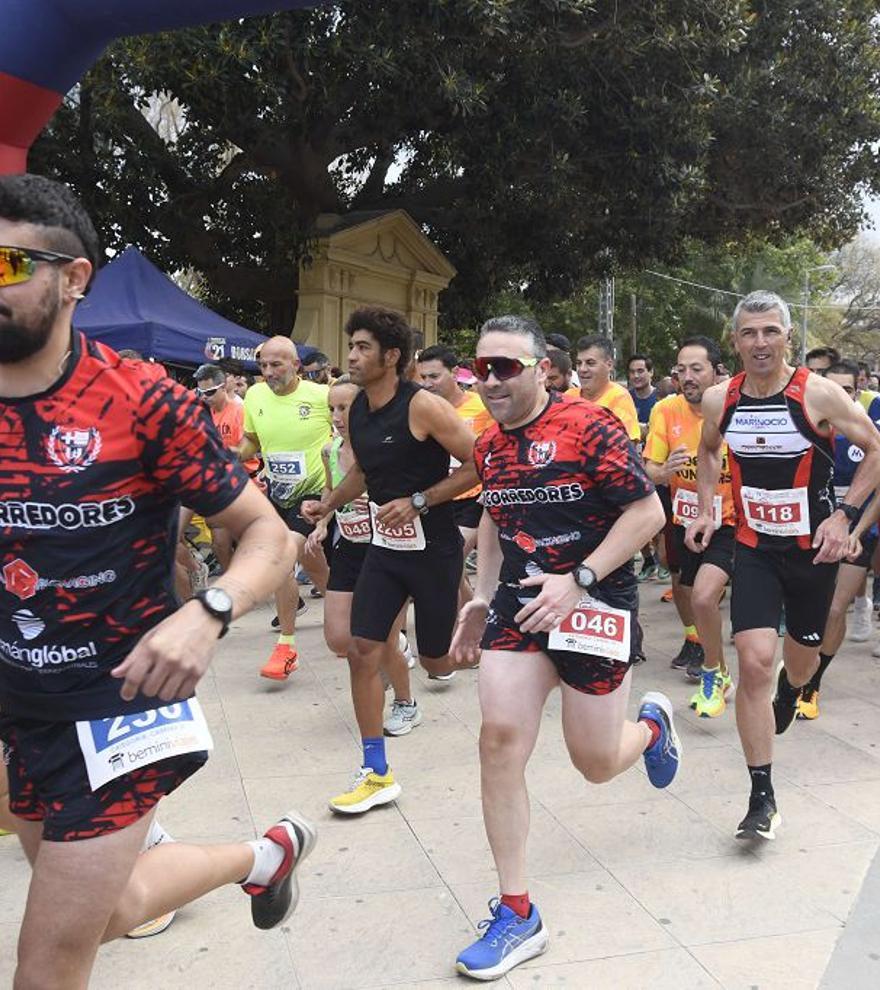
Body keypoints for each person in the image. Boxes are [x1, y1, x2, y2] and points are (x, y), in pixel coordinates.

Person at [0, 174, 316, 989]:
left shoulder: (140, 399)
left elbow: (267, 535)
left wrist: (207, 611)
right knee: (113, 909)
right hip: (17, 701)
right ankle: (263, 854)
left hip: (118, 701)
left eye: (6, 265)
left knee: (46, 963)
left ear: (73, 280)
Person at [449, 315, 679, 981]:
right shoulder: (487, 445)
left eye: (506, 367)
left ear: (541, 369)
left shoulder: (590, 425)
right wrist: (480, 593)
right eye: (482, 366)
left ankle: (652, 728)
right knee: (498, 738)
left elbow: (648, 514)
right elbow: (495, 514)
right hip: (520, 607)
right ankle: (518, 913)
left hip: (595, 606)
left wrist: (579, 581)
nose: (490, 379)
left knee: (597, 763)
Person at [688, 290, 880, 840]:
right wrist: (707, 508)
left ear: (787, 336)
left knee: (798, 662)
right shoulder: (721, 399)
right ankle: (761, 796)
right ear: (735, 340)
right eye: (749, 333)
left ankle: (794, 690)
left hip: (812, 552)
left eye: (770, 331)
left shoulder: (817, 394)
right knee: (752, 661)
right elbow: (706, 452)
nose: (760, 342)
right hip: (752, 547)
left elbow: (875, 449)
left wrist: (843, 517)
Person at [302, 306, 479, 814]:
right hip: (384, 548)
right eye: (351, 346)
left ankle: (485, 630)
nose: (352, 356)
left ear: (391, 356)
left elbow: (478, 463)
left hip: (434, 549)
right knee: (362, 648)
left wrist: (422, 500)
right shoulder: (357, 409)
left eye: (362, 347)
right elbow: (361, 473)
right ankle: (376, 770)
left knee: (437, 660)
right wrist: (328, 505)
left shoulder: (422, 406)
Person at [307, 377, 419, 736]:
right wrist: (323, 521)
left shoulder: (387, 447)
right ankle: (397, 648)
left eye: (346, 407)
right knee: (339, 639)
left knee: (378, 640)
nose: (338, 416)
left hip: (387, 550)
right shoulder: (329, 450)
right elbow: (329, 489)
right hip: (349, 549)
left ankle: (406, 703)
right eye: (332, 408)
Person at [644, 336, 736, 716]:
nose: (687, 377)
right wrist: (662, 473)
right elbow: (650, 468)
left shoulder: (737, 406)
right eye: (681, 370)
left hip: (731, 520)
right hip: (686, 518)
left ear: (717, 371)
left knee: (703, 595)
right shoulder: (666, 410)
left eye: (696, 369)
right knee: (683, 584)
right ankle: (706, 649)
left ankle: (715, 672)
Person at [238, 336, 332, 679]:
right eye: (262, 365)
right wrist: (234, 453)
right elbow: (254, 441)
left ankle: (286, 646)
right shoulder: (254, 395)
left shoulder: (321, 397)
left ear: (297, 365)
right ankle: (346, 613)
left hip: (313, 498)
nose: (268, 372)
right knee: (314, 564)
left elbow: (347, 435)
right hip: (277, 493)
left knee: (281, 557)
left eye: (276, 364)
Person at [794, 359, 880, 718]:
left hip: (858, 529)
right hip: (809, 528)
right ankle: (796, 668)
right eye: (833, 389)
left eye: (847, 390)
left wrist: (856, 531)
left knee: (833, 608)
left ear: (856, 392)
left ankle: (813, 685)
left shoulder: (865, 433)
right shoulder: (806, 427)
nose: (839, 396)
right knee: (804, 608)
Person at [417, 344, 493, 605]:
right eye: (423, 377)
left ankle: (471, 621)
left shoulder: (482, 406)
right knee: (449, 567)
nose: (427, 384)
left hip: (473, 498)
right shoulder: (421, 408)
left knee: (449, 560)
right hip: (436, 497)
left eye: (434, 376)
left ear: (455, 373)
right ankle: (473, 617)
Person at [575, 335, 641, 442]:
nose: (582, 369)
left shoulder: (620, 398)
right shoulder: (568, 396)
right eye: (578, 363)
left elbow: (626, 448)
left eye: (590, 363)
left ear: (609, 365)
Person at [627, 353, 658, 439]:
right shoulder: (624, 399)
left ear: (651, 372)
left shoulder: (662, 399)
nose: (636, 376)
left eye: (640, 371)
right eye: (632, 372)